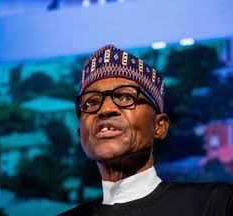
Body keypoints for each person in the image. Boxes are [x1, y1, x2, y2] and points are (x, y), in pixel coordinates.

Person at [58, 44, 233, 215]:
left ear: (159, 126)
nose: (105, 109)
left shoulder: (215, 204)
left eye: (126, 97)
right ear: (81, 135)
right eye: (91, 102)